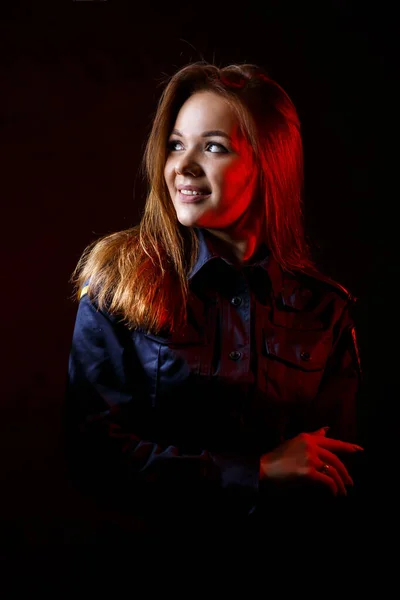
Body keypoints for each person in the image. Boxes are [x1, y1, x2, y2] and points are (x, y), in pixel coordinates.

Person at [64, 61, 364, 547]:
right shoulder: (118, 281)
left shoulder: (323, 310)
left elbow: (333, 476)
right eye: (177, 144)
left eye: (214, 147)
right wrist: (258, 471)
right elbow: (95, 458)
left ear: (268, 164)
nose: (181, 165)